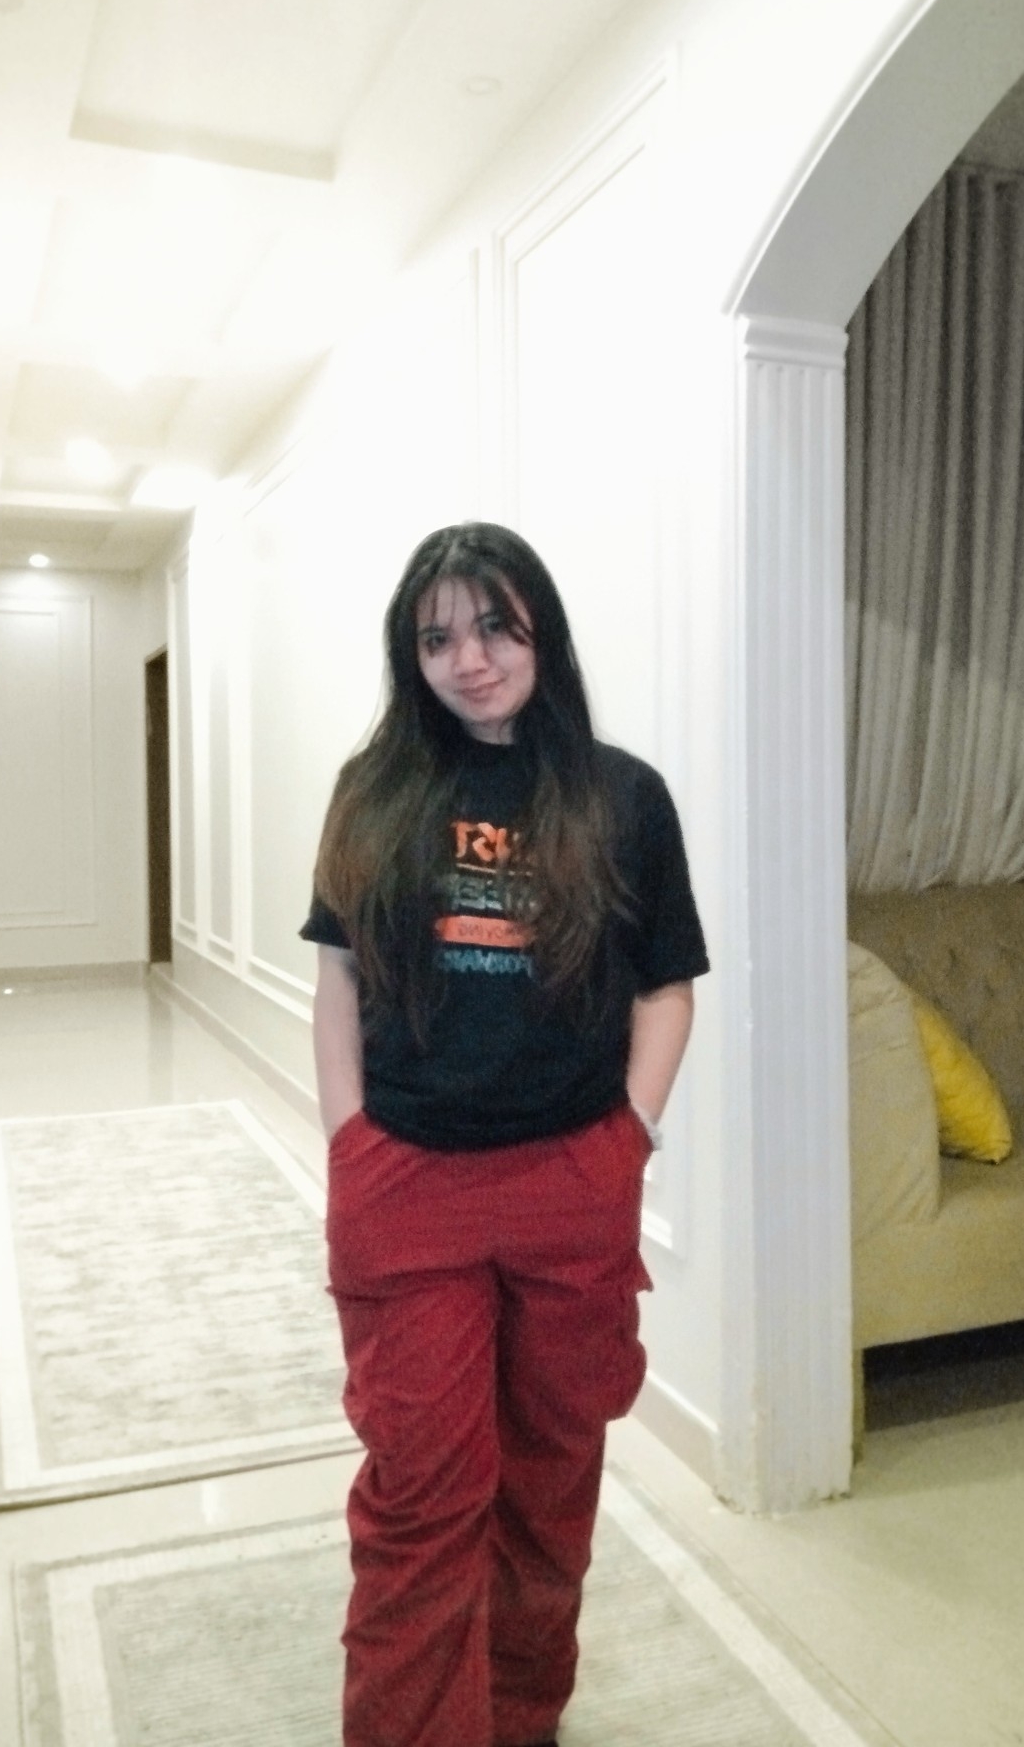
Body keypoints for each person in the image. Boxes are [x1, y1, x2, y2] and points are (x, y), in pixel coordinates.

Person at [301, 521, 708, 1747]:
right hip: (408, 1182)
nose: (469, 660)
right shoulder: (375, 793)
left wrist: (630, 1137)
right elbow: (337, 979)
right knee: (421, 1492)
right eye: (437, 639)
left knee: (548, 1480)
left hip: (570, 1181)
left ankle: (521, 1718)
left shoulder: (623, 797)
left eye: (494, 627)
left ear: (541, 630)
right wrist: (350, 1145)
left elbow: (667, 986)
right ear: (411, 656)